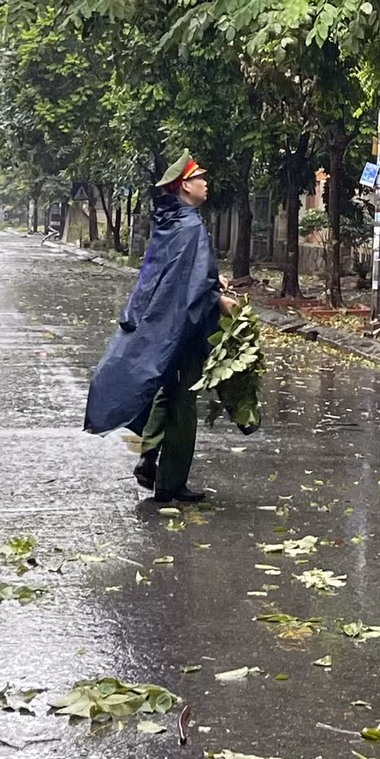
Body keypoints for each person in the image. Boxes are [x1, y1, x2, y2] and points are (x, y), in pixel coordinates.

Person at [82, 153, 237, 503]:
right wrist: (217, 299)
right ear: (185, 186)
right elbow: (185, 283)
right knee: (183, 401)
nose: (206, 183)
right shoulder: (190, 226)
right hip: (182, 327)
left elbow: (178, 273)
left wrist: (213, 280)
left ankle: (150, 457)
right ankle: (171, 482)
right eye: (200, 178)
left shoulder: (171, 222)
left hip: (164, 323)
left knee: (167, 389)